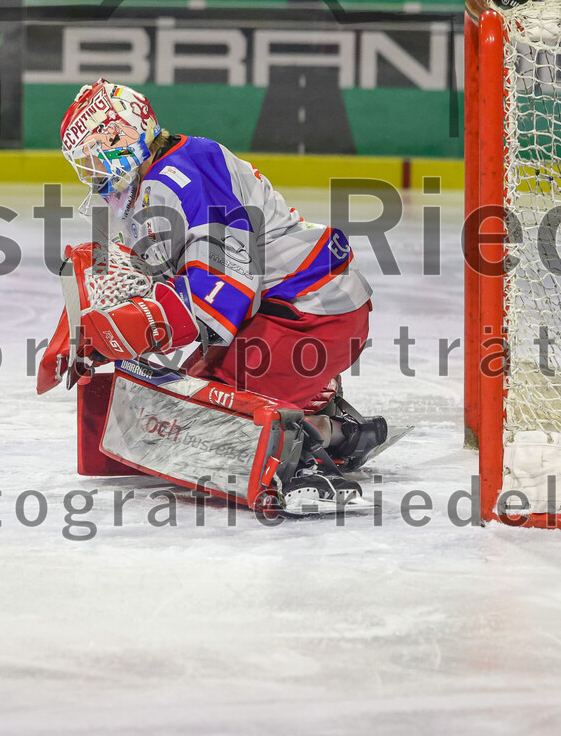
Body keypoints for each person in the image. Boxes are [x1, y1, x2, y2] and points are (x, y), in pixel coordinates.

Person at [56, 80, 387, 505]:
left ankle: (312, 448)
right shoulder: (158, 177)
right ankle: (324, 416)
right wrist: (99, 328)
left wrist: (128, 328)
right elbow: (179, 279)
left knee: (199, 421)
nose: (92, 169)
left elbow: (225, 291)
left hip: (310, 316)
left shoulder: (182, 176)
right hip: (298, 312)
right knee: (182, 400)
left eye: (95, 153)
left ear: (124, 135)